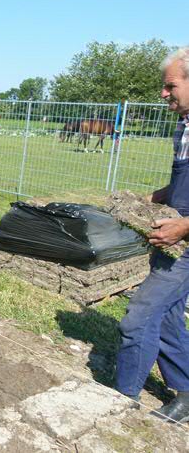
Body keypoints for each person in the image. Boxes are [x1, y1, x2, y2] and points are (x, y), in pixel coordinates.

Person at [115, 47, 189, 422]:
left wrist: (184, 226)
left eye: (170, 85)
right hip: (174, 238)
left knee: (139, 316)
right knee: (168, 315)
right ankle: (187, 392)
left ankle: (120, 396)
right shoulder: (184, 125)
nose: (163, 93)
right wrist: (153, 198)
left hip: (186, 245)